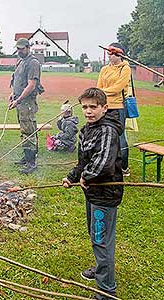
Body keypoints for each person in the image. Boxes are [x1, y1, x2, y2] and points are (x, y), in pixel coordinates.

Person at [62, 87, 123, 300]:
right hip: (93, 193)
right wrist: (72, 176)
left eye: (93, 107)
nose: (89, 111)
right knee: (96, 235)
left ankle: (106, 291)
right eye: (85, 107)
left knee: (101, 239)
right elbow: (84, 161)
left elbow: (103, 163)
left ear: (104, 108)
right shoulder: (87, 129)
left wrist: (85, 177)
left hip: (105, 193)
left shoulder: (107, 130)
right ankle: (101, 269)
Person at [8, 38, 43, 174]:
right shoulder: (21, 61)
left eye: (22, 49)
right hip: (20, 100)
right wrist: (13, 94)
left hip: (26, 102)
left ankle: (31, 163)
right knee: (25, 128)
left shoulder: (33, 63)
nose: (19, 51)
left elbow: (31, 84)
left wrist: (19, 99)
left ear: (28, 48)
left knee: (29, 131)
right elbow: (18, 80)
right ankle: (27, 157)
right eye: (18, 49)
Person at [97, 42, 131, 176]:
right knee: (104, 136)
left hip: (117, 108)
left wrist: (102, 92)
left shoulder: (125, 68)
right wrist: (101, 93)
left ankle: (124, 167)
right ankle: (107, 164)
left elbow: (118, 87)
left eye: (112, 53)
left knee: (120, 137)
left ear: (119, 54)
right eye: (108, 52)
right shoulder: (104, 69)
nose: (109, 55)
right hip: (104, 108)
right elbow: (98, 86)